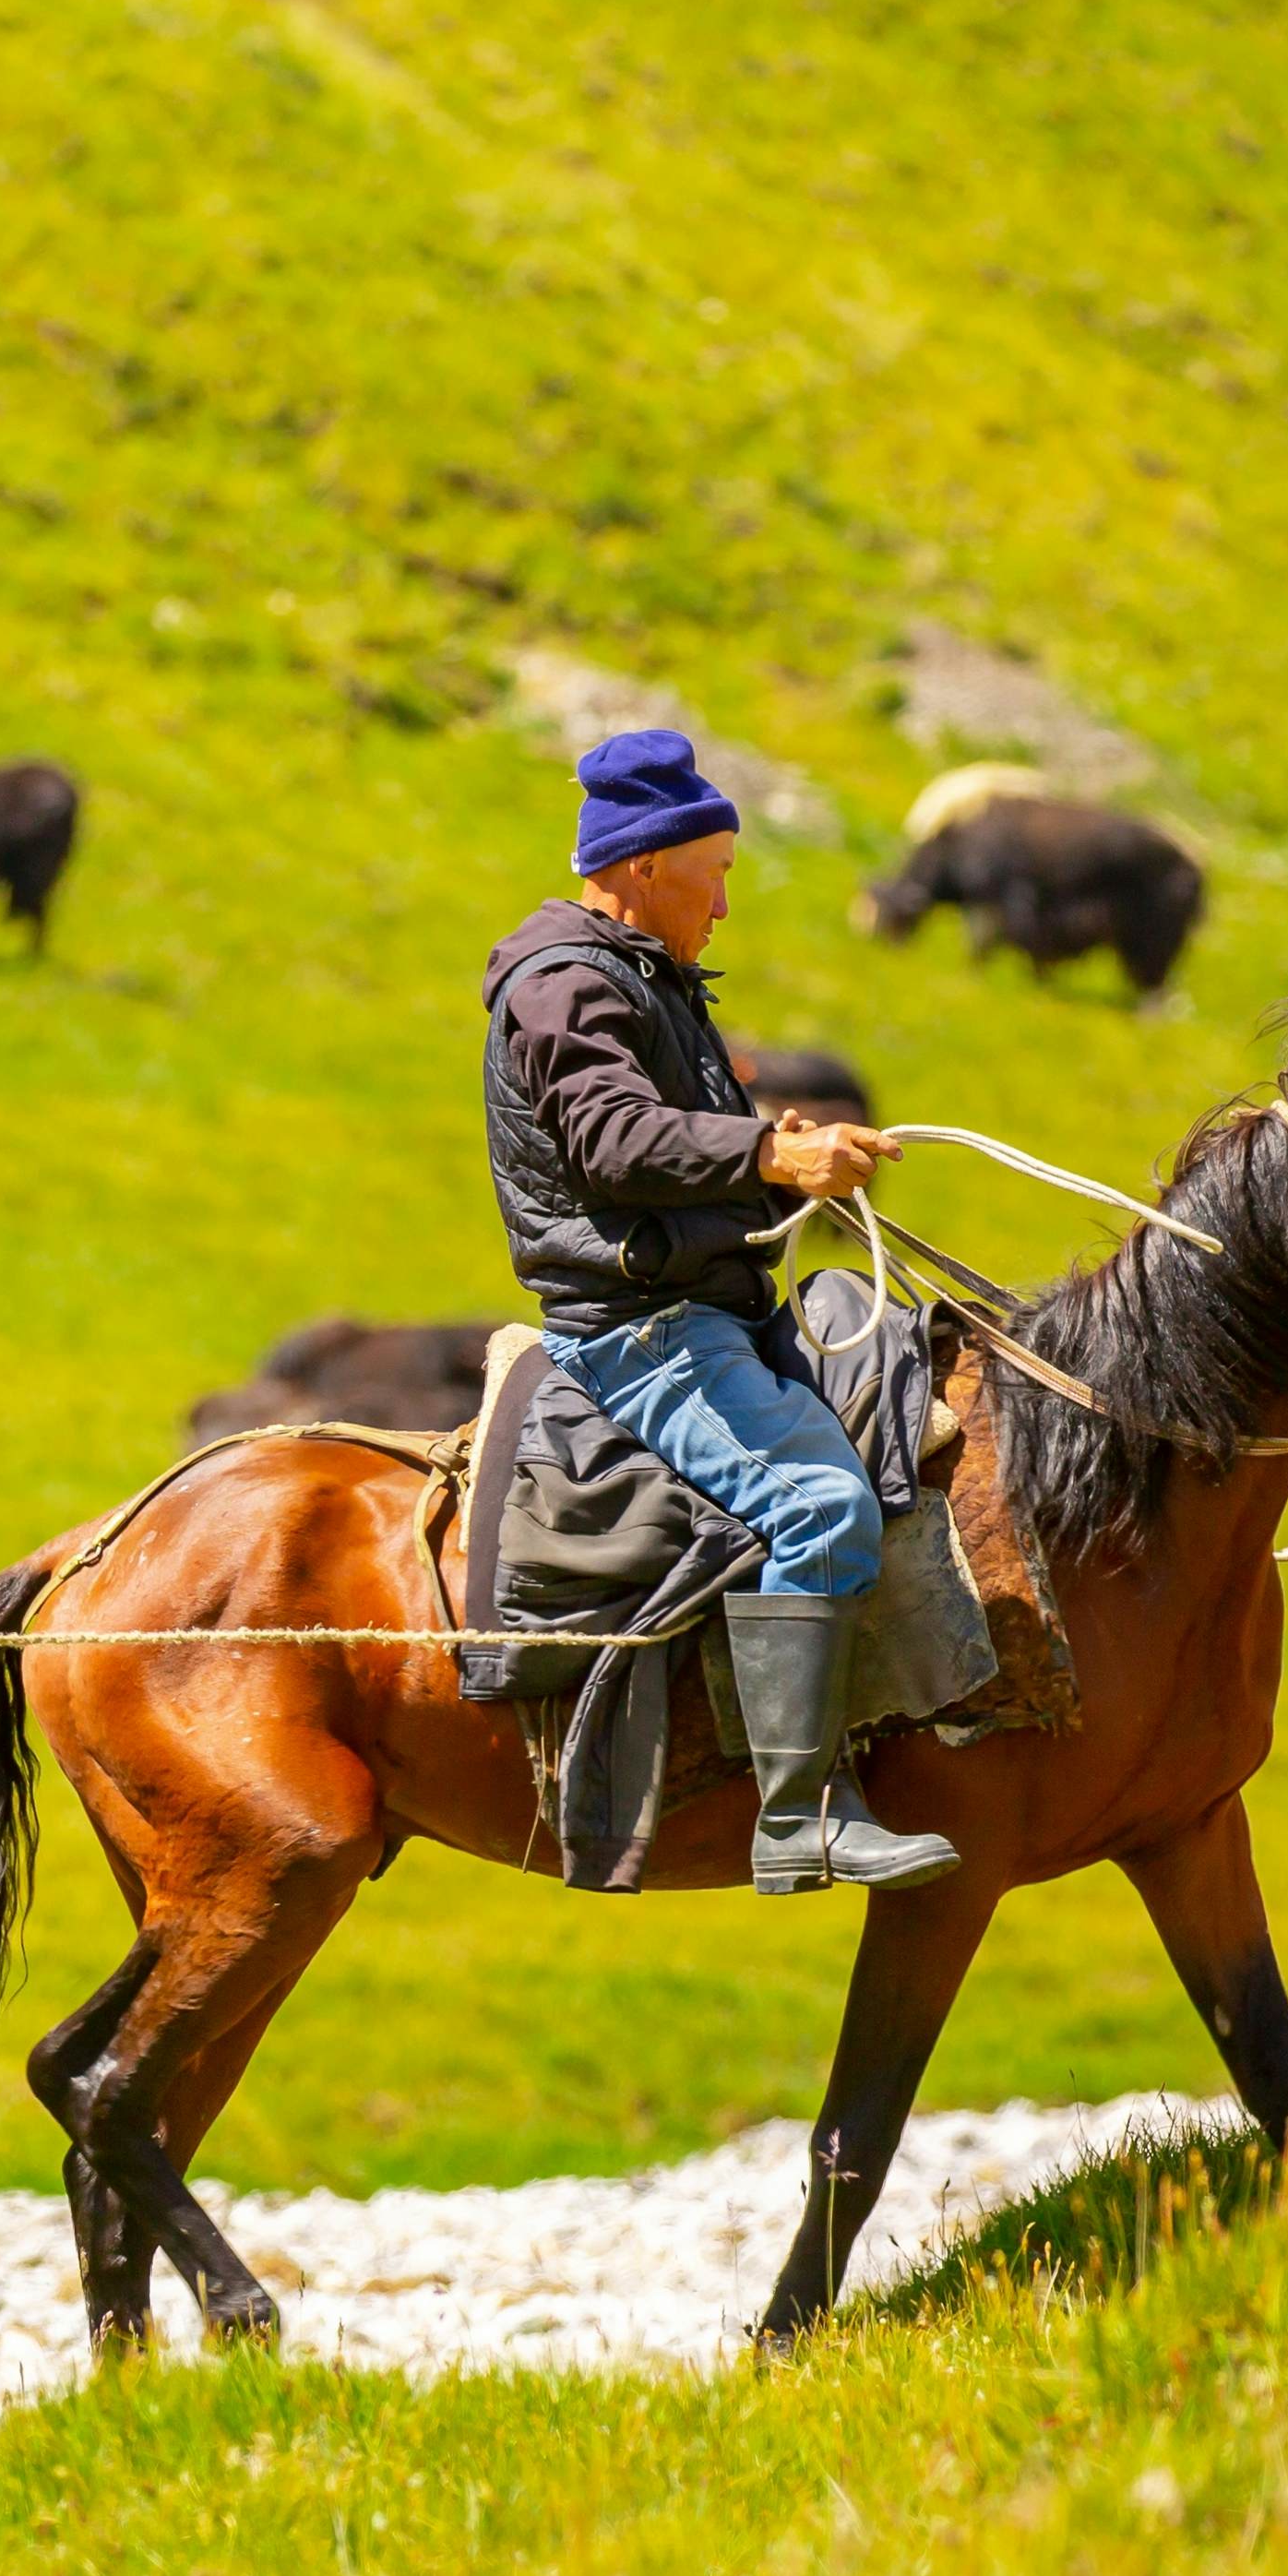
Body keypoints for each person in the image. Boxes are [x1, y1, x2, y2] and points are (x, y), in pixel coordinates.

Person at [480, 730, 959, 1895]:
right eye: (720, 870)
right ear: (646, 866)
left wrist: (777, 1152)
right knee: (817, 1502)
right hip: (642, 1332)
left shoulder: (640, 973)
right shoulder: (565, 984)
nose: (727, 904)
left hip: (716, 1310)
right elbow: (613, 1141)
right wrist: (775, 1155)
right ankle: (798, 1820)